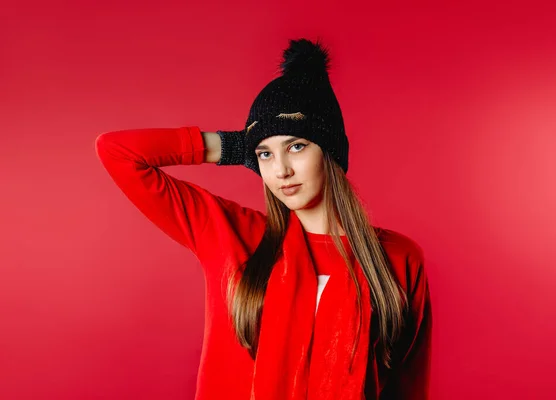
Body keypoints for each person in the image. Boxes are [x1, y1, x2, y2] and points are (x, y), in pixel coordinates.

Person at [95, 38, 432, 400]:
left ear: (330, 151)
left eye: (296, 147)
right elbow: (118, 153)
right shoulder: (232, 233)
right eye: (265, 154)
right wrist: (234, 145)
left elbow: (407, 384)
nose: (281, 170)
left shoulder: (397, 258)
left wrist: (263, 141)